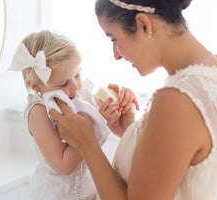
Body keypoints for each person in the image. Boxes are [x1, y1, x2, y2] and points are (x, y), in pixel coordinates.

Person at [49, 0, 217, 199]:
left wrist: (88, 144)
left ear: (144, 25)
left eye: (113, 38)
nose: (116, 55)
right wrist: (134, 132)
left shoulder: (176, 101)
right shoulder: (207, 75)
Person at [8, 30, 139, 200]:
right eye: (63, 83)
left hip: (91, 193)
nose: (75, 88)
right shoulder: (39, 112)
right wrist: (99, 122)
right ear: (35, 86)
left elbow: (111, 128)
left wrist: (119, 106)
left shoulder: (82, 95)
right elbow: (64, 165)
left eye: (77, 75)